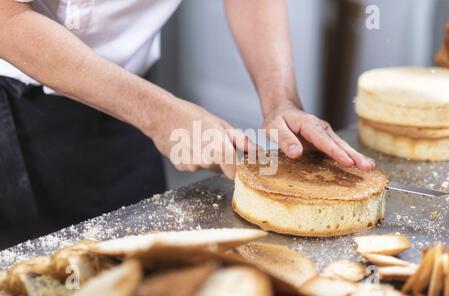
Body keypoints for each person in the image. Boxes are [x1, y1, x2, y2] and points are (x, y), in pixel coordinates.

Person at [0, 0, 374, 248]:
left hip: (129, 94)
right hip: (19, 101)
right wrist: (159, 113)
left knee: (140, 268)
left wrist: (281, 101)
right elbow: (7, 17)